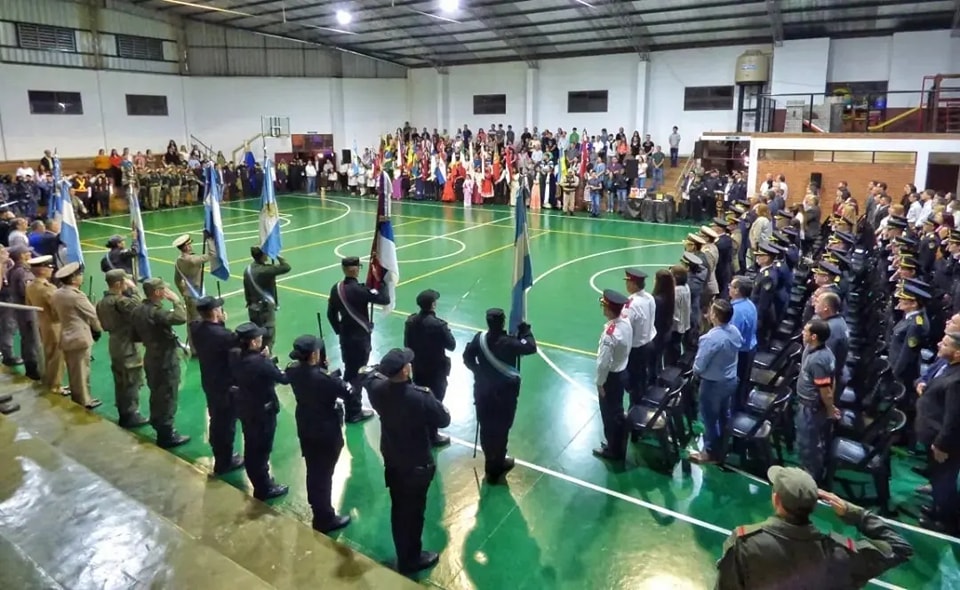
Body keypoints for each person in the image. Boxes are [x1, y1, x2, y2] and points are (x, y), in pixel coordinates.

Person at [715, 466, 913, 589]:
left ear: (776, 500)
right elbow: (900, 547)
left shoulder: (744, 544)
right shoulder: (841, 553)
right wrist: (854, 513)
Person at [366, 348, 450, 575]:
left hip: (393, 461)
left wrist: (376, 372)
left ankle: (404, 554)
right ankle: (411, 559)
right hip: (416, 464)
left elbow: (367, 376)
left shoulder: (377, 390)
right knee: (414, 513)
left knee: (399, 510)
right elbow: (444, 419)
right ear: (405, 371)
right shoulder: (420, 396)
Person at [285, 334, 352, 533]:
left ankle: (318, 508)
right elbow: (348, 392)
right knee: (324, 474)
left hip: (306, 425)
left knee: (314, 471)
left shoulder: (292, 370)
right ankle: (325, 518)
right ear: (314, 355)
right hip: (325, 431)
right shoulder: (325, 379)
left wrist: (319, 368)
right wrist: (327, 373)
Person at [462, 309, 537, 483]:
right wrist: (525, 331)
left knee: (486, 428)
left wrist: (478, 371)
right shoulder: (508, 342)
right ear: (503, 322)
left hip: (483, 393)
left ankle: (490, 462)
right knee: (501, 430)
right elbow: (530, 347)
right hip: (504, 397)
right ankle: (497, 465)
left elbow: (467, 357)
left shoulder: (479, 339)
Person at [230, 322, 289, 500]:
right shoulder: (261, 363)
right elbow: (283, 378)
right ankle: (264, 488)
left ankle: (259, 481)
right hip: (262, 412)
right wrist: (268, 361)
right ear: (253, 342)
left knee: (251, 446)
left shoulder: (236, 356)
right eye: (259, 338)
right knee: (262, 450)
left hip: (246, 408)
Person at [327, 256, 388, 423]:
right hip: (360, 341)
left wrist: (340, 331)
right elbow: (385, 299)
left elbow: (331, 314)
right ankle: (354, 411)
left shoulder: (336, 289)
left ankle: (350, 405)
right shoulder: (360, 290)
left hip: (346, 339)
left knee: (349, 371)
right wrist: (380, 281)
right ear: (355, 270)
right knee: (357, 375)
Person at [131, 277, 190, 448]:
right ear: (157, 292)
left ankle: (158, 423)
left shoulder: (137, 310)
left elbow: (135, 336)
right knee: (168, 395)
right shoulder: (157, 312)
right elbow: (180, 318)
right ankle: (166, 434)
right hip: (165, 359)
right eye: (164, 289)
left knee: (156, 392)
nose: (166, 292)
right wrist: (177, 301)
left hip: (151, 356)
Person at [189, 295, 243, 475]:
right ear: (214, 312)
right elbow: (232, 343)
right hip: (225, 384)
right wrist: (221, 324)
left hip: (210, 381)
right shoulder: (224, 336)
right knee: (225, 424)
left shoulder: (196, 328)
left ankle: (222, 456)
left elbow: (212, 334)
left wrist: (219, 322)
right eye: (218, 309)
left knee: (217, 419)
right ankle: (224, 461)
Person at [915, 332, 960, 534]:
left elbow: (954, 418)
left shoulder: (957, 381)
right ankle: (936, 510)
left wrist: (941, 444)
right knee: (937, 479)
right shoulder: (949, 367)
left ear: (957, 353)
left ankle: (946, 523)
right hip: (933, 437)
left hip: (944, 444)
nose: (940, 344)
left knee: (944, 483)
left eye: (946, 344)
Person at [689, 299, 742, 465]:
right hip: (730, 380)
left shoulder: (710, 338)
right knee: (724, 414)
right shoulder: (734, 331)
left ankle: (710, 452)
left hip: (712, 384)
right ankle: (724, 444)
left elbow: (699, 366)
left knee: (709, 419)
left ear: (715, 316)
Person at [96, 269, 149, 428]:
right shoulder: (120, 301)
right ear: (119, 283)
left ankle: (124, 411)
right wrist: (134, 289)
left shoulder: (102, 302)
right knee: (130, 380)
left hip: (114, 343)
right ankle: (130, 414)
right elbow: (140, 308)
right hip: (127, 345)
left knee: (121, 380)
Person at [403, 289, 456, 447]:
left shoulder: (411, 321)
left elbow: (407, 345)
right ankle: (432, 436)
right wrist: (447, 330)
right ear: (433, 305)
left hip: (418, 367)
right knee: (435, 401)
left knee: (420, 399)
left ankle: (420, 432)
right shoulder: (439, 325)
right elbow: (452, 345)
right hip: (436, 370)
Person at [50, 262, 102, 410]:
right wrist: (98, 328)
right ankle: (83, 401)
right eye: (79, 275)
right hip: (80, 337)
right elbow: (93, 314)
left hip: (66, 335)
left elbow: (55, 314)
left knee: (74, 371)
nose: (81, 277)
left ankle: (79, 397)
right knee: (81, 371)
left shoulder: (57, 293)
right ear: (73, 279)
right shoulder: (77, 296)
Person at [795, 319, 837, 483]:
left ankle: (811, 480)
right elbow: (833, 380)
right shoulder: (814, 349)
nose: (802, 333)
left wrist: (830, 409)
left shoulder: (819, 360)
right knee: (809, 440)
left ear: (814, 337)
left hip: (811, 408)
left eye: (805, 331)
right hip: (809, 405)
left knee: (809, 444)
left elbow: (826, 390)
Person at [593, 289, 632, 461]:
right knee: (617, 411)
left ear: (608, 309)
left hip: (611, 378)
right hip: (622, 371)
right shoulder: (626, 323)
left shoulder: (610, 334)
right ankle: (617, 444)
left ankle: (613, 449)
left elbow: (603, 363)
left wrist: (600, 383)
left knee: (609, 415)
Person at [24, 255, 64, 395]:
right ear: (42, 270)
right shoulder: (48, 288)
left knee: (49, 355)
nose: (51, 269)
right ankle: (55, 386)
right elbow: (57, 310)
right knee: (57, 357)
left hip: (42, 323)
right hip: (54, 325)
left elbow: (28, 304)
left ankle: (49, 382)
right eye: (49, 267)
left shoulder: (30, 285)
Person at [243, 246, 291, 350]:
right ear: (264, 255)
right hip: (265, 312)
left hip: (253, 309)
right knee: (268, 339)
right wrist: (276, 254)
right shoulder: (265, 270)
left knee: (255, 336)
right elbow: (286, 267)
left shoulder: (248, 270)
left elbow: (246, 290)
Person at [172, 234, 213, 352]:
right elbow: (211, 255)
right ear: (186, 247)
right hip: (197, 295)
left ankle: (194, 348)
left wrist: (184, 292)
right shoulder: (192, 259)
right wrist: (210, 240)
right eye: (189, 244)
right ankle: (202, 348)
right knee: (201, 323)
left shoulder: (178, 261)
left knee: (191, 324)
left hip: (189, 296)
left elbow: (177, 280)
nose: (191, 246)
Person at [7, 245, 41, 380]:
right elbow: (27, 291)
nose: (30, 254)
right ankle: (33, 369)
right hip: (28, 312)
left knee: (27, 340)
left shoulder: (13, 269)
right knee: (31, 340)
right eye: (27, 252)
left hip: (21, 311)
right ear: (22, 255)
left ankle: (31, 367)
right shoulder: (23, 272)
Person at [622, 268, 657, 401]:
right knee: (643, 377)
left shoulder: (630, 304)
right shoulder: (649, 297)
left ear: (633, 284)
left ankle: (636, 408)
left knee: (634, 384)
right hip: (649, 343)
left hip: (636, 350)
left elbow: (625, 329)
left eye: (628, 282)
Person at [729, 277, 758, 409]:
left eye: (731, 286)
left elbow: (734, 337)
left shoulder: (737, 311)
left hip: (741, 352)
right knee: (743, 382)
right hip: (750, 348)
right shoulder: (749, 304)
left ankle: (734, 411)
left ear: (737, 290)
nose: (729, 288)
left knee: (736, 383)